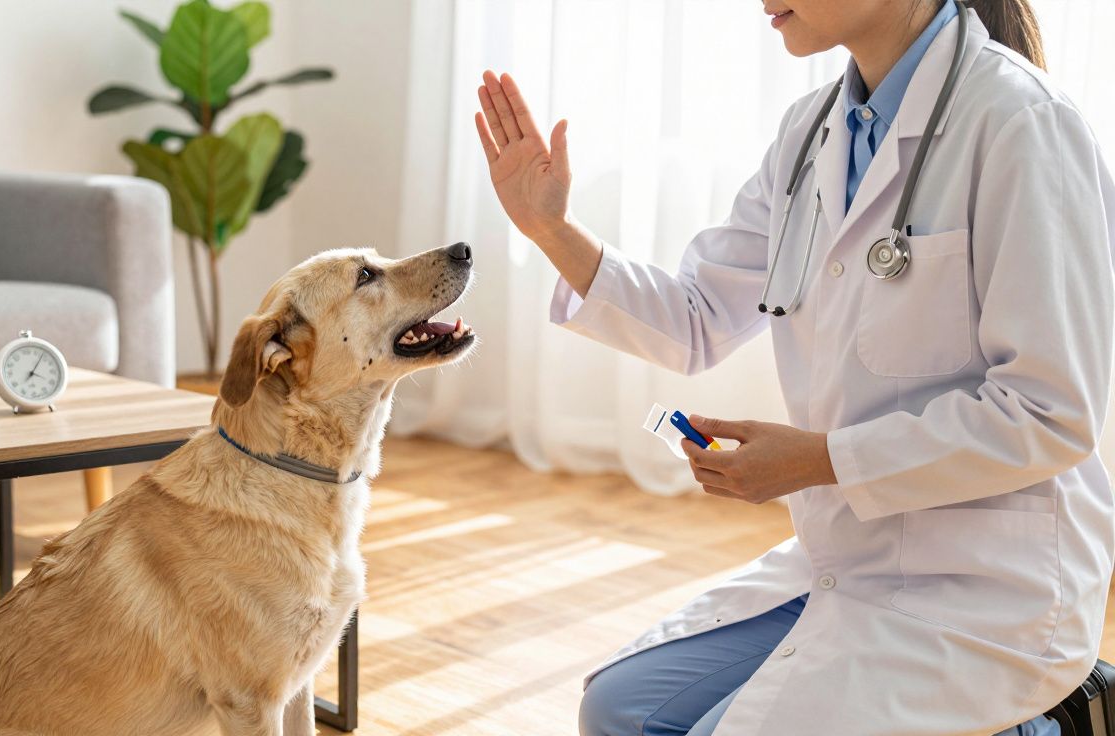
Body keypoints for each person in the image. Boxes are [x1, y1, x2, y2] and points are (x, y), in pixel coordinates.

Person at [473, 1, 1115, 734]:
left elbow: (1049, 414)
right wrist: (550, 229)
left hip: (989, 584)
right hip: (846, 555)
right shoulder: (812, 132)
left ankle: (1044, 724)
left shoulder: (1023, 122)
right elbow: (698, 316)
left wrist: (820, 460)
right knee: (619, 712)